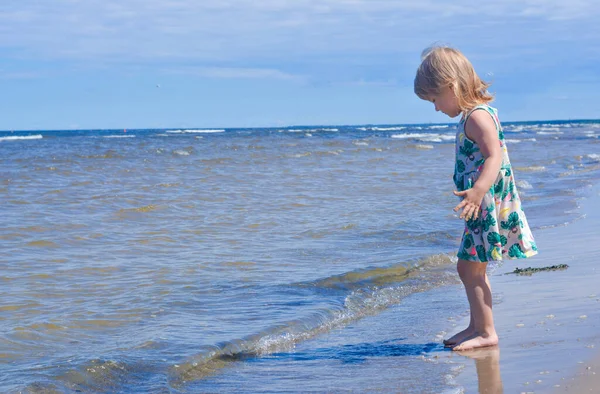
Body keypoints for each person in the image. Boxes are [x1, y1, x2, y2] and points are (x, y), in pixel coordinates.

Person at [414, 46, 538, 351]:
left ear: (451, 86)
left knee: (469, 267)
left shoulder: (477, 117)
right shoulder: (473, 114)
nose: (435, 108)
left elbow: (494, 156)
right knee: (471, 267)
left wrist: (479, 189)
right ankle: (477, 327)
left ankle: (486, 331)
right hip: (480, 203)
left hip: (486, 202)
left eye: (434, 99)